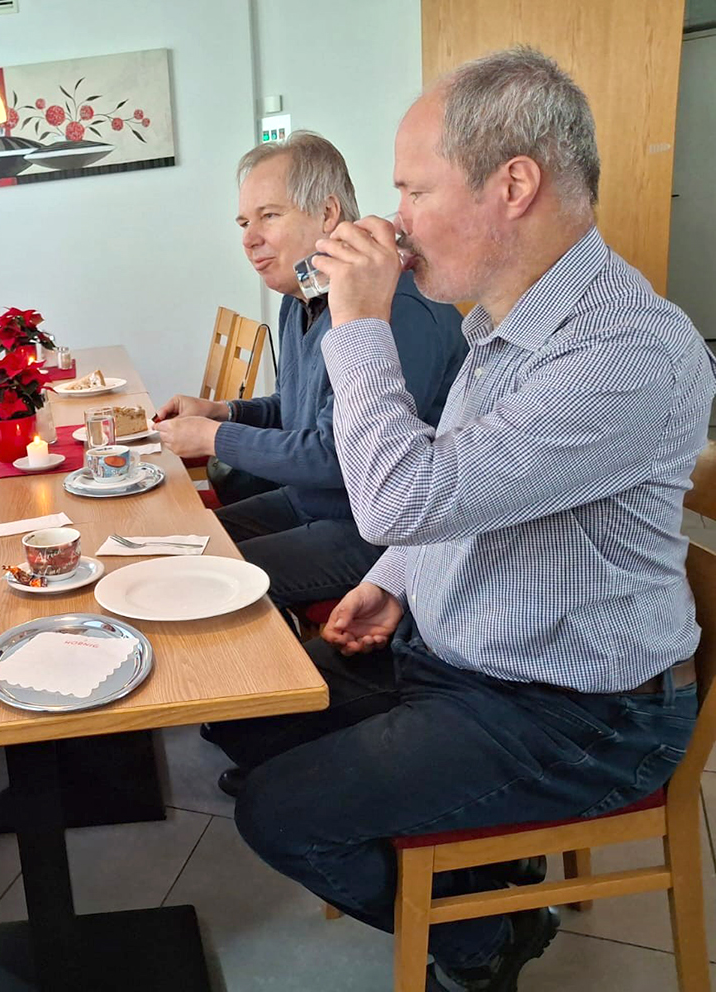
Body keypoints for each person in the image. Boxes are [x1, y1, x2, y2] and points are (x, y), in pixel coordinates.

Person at [209, 48, 716, 992]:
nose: (393, 219)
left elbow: (401, 494)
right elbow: (450, 489)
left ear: (513, 184)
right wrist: (389, 580)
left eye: (411, 188)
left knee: (278, 813)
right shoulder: (500, 323)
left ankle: (485, 937)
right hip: (462, 656)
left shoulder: (627, 352)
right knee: (248, 715)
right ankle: (481, 871)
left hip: (578, 715)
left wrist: (357, 319)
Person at [155, 132, 466, 608]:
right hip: (309, 502)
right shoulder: (299, 299)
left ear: (327, 213)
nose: (248, 238)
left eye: (269, 216)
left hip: (377, 539)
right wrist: (224, 411)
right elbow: (296, 407)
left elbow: (337, 454)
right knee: (177, 547)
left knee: (197, 584)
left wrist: (211, 439)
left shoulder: (392, 305)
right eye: (243, 222)